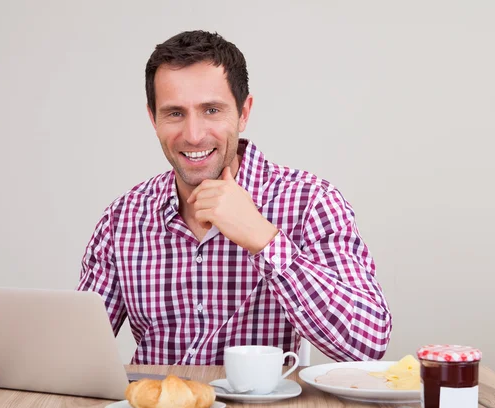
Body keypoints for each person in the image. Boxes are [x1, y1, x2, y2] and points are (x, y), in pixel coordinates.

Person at [78, 30, 392, 365]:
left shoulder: (311, 202)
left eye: (211, 110)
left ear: (243, 113)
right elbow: (73, 352)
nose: (194, 135)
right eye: (174, 113)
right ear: (153, 118)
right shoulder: (122, 218)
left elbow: (367, 343)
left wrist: (263, 238)